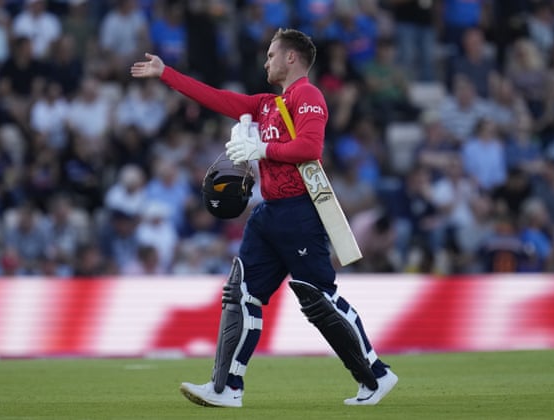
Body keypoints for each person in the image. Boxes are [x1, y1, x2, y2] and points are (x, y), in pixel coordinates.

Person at [131, 28, 397, 408]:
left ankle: (377, 374)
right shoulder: (268, 104)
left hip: (299, 211)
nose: (266, 61)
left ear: (292, 58)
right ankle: (226, 388)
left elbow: (310, 146)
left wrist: (261, 147)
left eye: (272, 54)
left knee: (318, 297)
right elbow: (218, 98)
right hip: (269, 212)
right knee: (240, 293)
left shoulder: (308, 95)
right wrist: (166, 73)